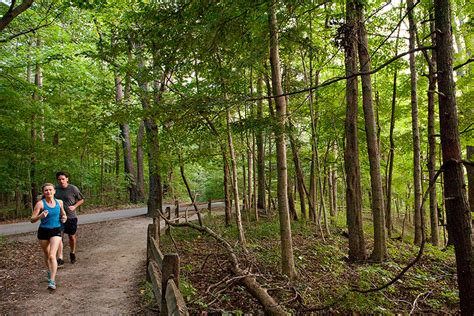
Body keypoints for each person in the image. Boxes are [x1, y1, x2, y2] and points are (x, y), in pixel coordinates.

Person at [30, 183, 67, 290]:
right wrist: (40, 216)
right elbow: (32, 220)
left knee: (52, 255)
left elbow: (63, 214)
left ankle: (52, 280)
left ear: (54, 191)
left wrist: (64, 218)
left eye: (50, 190)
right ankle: (49, 271)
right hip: (43, 231)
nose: (48, 192)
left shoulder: (59, 202)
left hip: (56, 230)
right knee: (46, 254)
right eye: (46, 190)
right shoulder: (40, 204)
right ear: (43, 192)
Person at [55, 171, 84, 265]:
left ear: (67, 179)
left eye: (63, 179)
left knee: (71, 237)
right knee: (59, 238)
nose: (61, 181)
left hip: (71, 217)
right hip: (59, 217)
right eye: (59, 179)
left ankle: (72, 253)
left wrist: (75, 206)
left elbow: (82, 199)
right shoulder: (55, 189)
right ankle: (60, 258)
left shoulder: (73, 188)